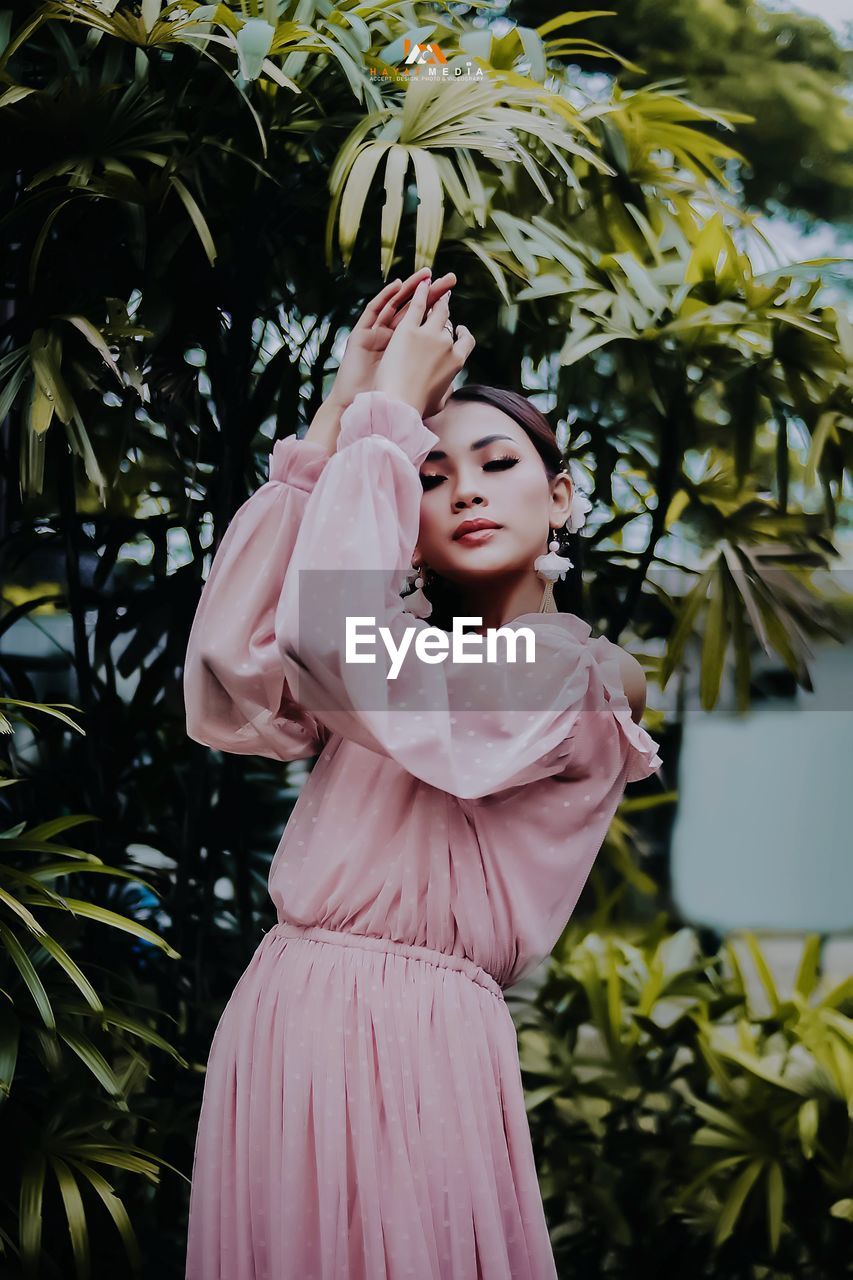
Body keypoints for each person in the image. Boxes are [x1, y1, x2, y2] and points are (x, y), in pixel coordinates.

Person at [182, 268, 663, 1279]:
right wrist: (343, 410)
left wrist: (390, 421)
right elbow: (233, 669)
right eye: (432, 475)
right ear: (407, 516)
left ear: (562, 494)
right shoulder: (397, 660)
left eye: (496, 463)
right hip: (289, 1011)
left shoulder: (578, 674)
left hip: (413, 1037)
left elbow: (339, 647)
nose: (467, 489)